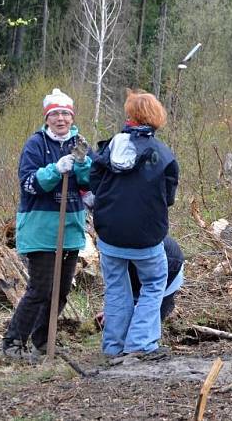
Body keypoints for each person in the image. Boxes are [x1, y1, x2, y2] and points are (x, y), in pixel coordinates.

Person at [0, 88, 91, 360]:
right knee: (41, 289)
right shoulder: (36, 144)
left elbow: (89, 184)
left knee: (61, 291)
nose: (61, 119)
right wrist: (56, 170)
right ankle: (13, 342)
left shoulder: (80, 143)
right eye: (55, 114)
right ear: (47, 117)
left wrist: (83, 163)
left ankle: (43, 342)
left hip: (71, 226)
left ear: (72, 117)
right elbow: (29, 183)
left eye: (65, 113)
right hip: (40, 228)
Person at [90, 89, 179, 357]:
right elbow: (169, 198)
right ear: (155, 118)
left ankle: (114, 347)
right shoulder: (163, 155)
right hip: (146, 237)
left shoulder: (107, 148)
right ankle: (140, 345)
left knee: (116, 288)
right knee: (153, 285)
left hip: (109, 234)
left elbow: (94, 184)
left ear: (129, 116)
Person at [95, 236, 185, 327]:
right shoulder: (110, 252)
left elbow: (150, 300)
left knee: (146, 323)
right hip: (138, 269)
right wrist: (111, 313)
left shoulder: (161, 261)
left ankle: (166, 305)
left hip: (170, 270)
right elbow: (115, 290)